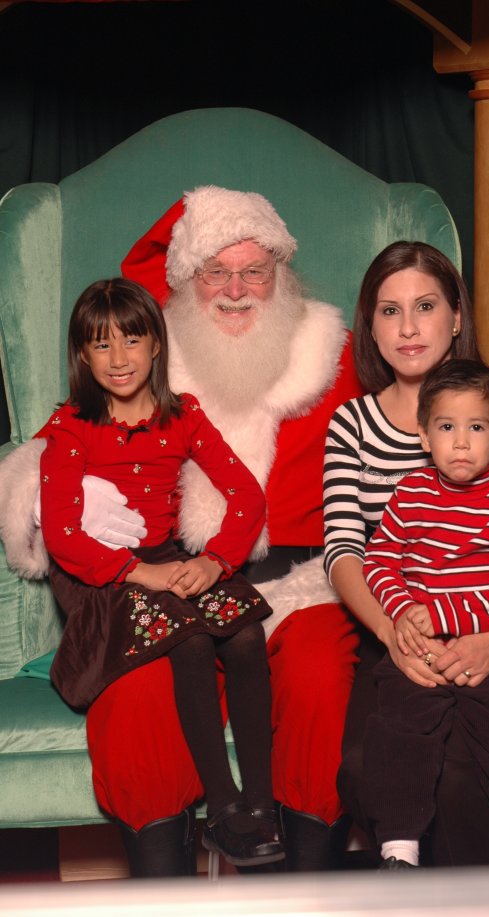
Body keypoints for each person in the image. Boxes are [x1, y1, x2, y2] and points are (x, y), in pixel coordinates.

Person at [0, 186, 363, 875]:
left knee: (318, 677)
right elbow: (88, 390)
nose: (234, 289)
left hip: (304, 580)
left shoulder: (333, 354)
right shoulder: (160, 357)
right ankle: (162, 886)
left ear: (282, 275)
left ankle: (304, 882)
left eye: (254, 270)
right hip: (171, 574)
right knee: (135, 695)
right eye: (213, 270)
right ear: (185, 281)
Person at [323, 241, 489, 865]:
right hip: (403, 620)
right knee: (368, 763)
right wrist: (397, 632)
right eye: (389, 311)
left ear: (457, 316)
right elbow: (347, 550)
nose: (408, 328)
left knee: (467, 771)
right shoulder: (352, 423)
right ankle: (403, 874)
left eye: (426, 306)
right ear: (369, 327)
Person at [39, 277, 284, 871]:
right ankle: (222, 810)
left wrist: (215, 559)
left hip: (172, 558)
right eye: (101, 345)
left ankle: (261, 804)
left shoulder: (183, 416)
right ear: (82, 355)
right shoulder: (71, 428)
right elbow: (61, 535)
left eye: (132, 340)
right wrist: (135, 574)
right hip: (103, 572)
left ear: (155, 345)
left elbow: (247, 498)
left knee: (247, 635)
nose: (119, 358)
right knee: (192, 639)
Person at [361, 359, 489, 868]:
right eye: (446, 427)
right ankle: (399, 849)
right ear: (423, 434)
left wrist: (447, 613)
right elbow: (379, 559)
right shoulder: (409, 495)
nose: (461, 443)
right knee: (400, 733)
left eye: (476, 428)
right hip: (421, 643)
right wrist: (405, 609)